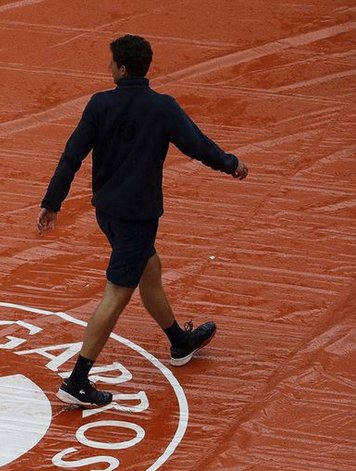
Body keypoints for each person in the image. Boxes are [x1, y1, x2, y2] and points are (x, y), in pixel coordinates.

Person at [36, 34, 249, 408]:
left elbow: (72, 155)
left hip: (109, 214)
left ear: (120, 68)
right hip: (138, 217)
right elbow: (197, 146)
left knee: (150, 268)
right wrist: (230, 164)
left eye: (110, 62)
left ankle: (179, 342)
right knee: (117, 294)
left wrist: (52, 202)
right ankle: (77, 379)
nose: (107, 68)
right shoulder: (162, 108)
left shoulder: (100, 104)